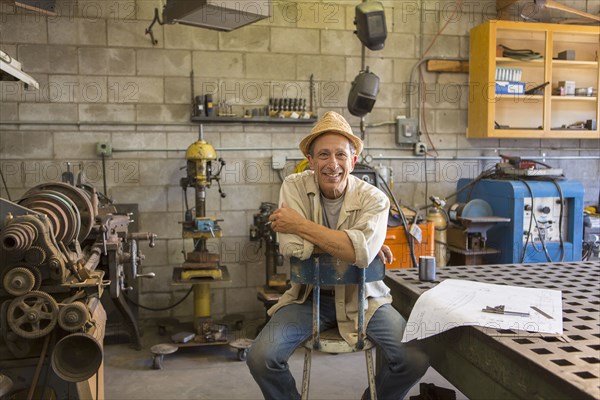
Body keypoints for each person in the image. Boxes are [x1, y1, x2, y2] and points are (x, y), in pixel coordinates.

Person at [247, 111, 429, 400]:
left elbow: (359, 251)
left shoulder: (375, 199)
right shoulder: (293, 186)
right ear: (310, 160)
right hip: (308, 298)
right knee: (260, 357)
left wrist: (301, 226)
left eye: (341, 155)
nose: (333, 164)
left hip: (365, 299)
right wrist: (353, 247)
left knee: (414, 358)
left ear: (353, 160)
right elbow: (294, 248)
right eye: (323, 155)